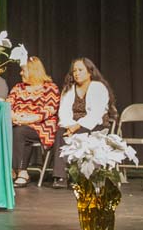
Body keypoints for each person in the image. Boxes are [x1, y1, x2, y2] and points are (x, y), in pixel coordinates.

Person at [50, 57, 118, 189]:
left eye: (80, 70)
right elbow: (63, 111)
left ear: (90, 72)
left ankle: (82, 175)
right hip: (71, 125)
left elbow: (95, 114)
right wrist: (69, 126)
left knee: (77, 134)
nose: (76, 73)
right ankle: (60, 176)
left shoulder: (98, 87)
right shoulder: (69, 89)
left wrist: (76, 126)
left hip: (95, 125)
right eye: (74, 71)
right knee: (60, 133)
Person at [6, 57, 59, 188]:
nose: (20, 73)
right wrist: (14, 116)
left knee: (19, 131)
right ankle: (11, 170)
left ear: (33, 71)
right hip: (17, 123)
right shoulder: (18, 88)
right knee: (10, 130)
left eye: (23, 70)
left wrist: (27, 119)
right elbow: (7, 105)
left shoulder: (50, 88)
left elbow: (49, 110)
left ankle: (21, 171)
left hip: (41, 126)